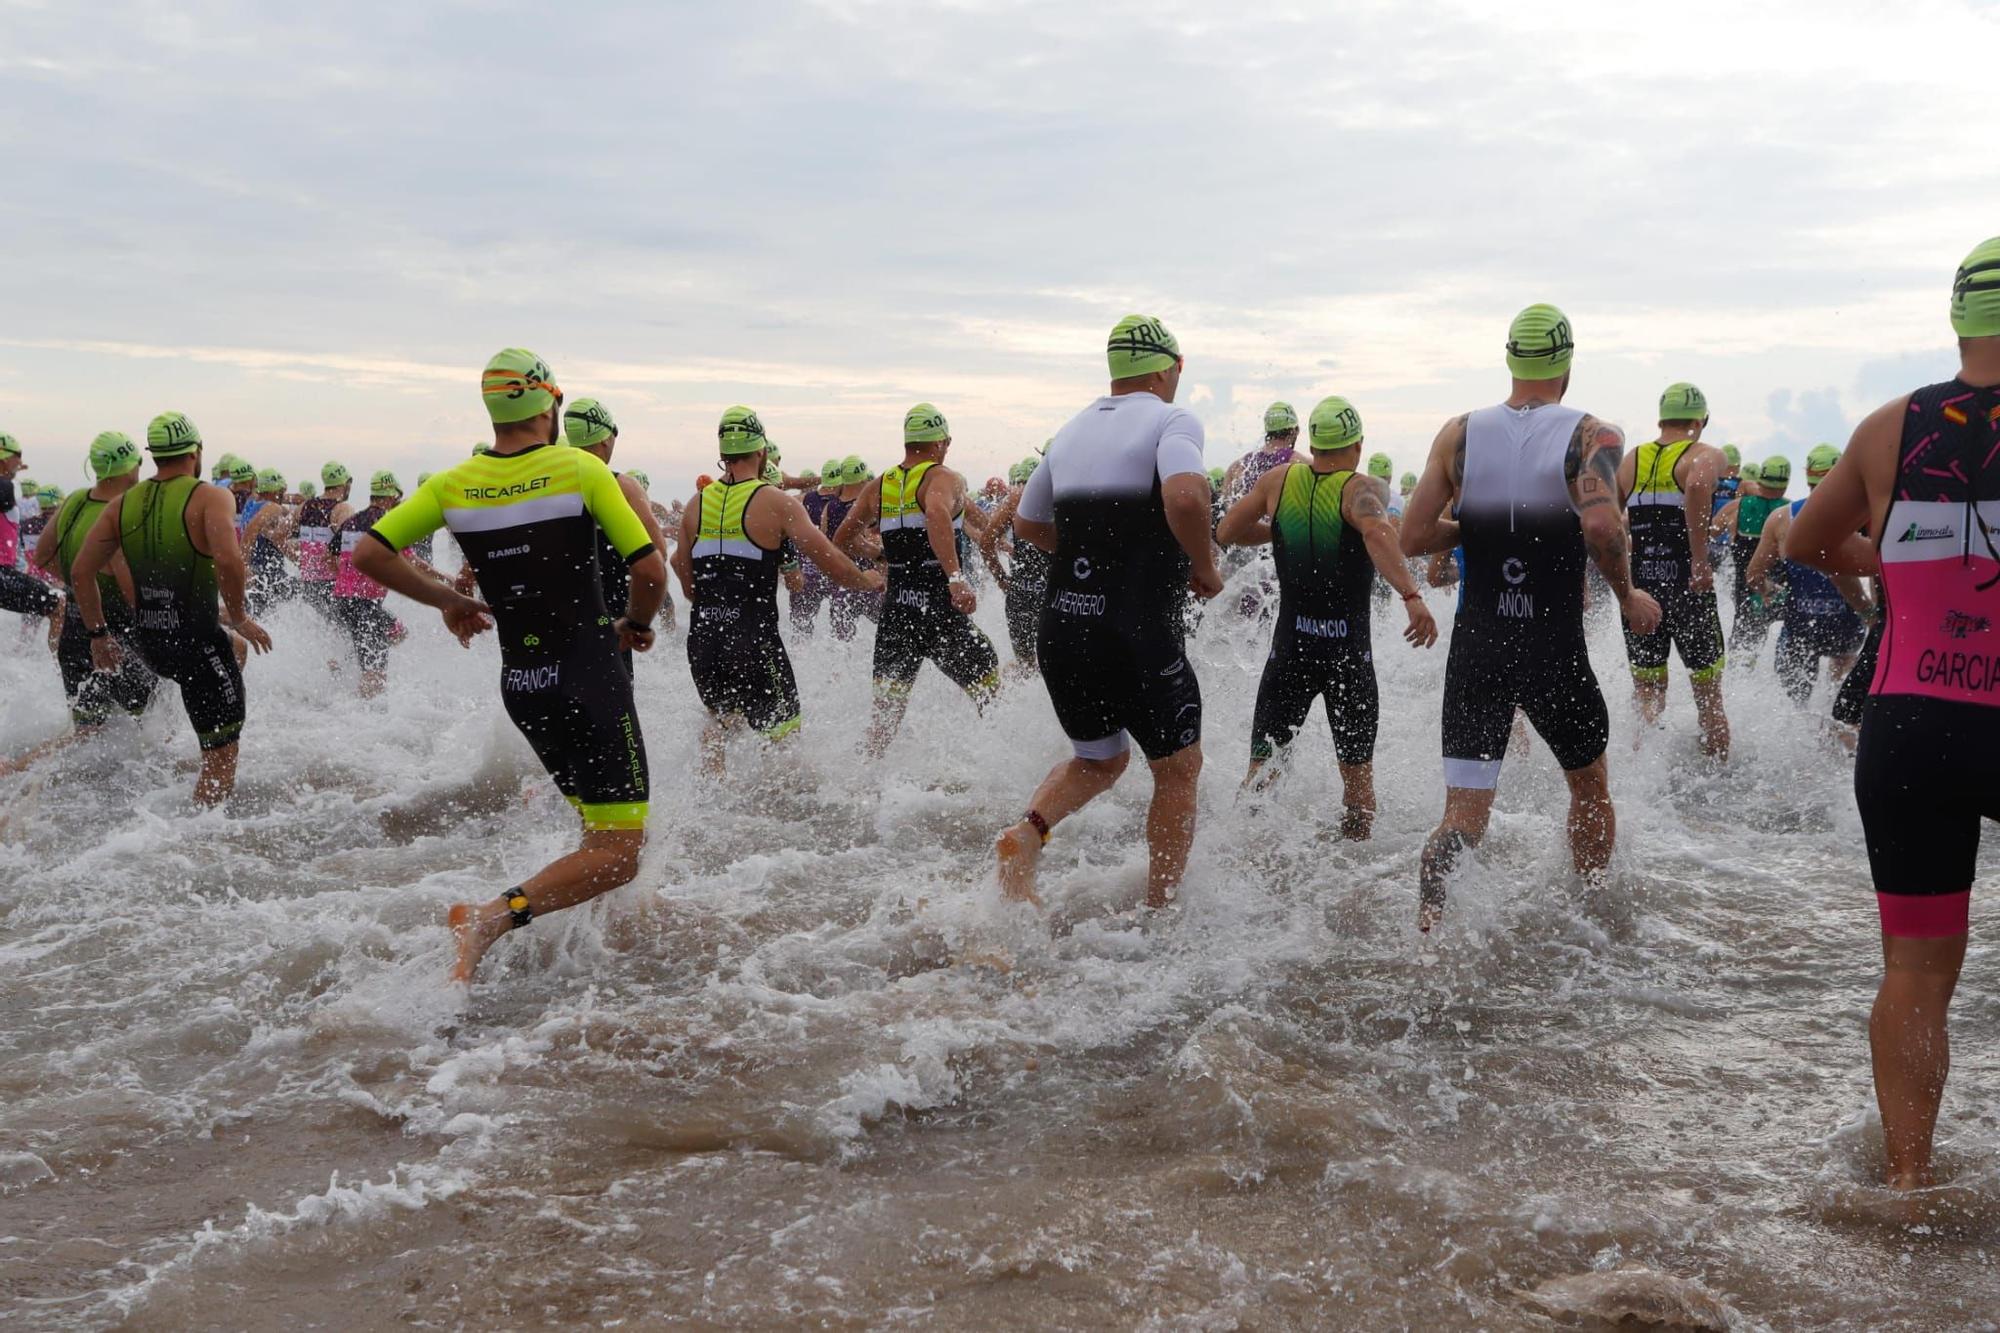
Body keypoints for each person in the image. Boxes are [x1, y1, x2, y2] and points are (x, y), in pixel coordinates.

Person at [1783, 236, 2000, 1192]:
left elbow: (1804, 538)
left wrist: (1888, 563)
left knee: (1915, 970)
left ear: (1960, 321)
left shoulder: (1887, 429)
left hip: (1911, 721)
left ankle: (1908, 1186)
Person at [352, 348, 667, 984]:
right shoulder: (580, 469)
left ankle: (587, 948)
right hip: (589, 676)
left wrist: (451, 601)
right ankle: (493, 918)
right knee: (619, 853)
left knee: (597, 831)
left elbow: (370, 554)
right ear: (550, 400)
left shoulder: (452, 484)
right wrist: (636, 624)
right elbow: (650, 567)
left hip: (523, 688)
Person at [1399, 304, 1662, 932]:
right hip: (1551, 646)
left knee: (1464, 813)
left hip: (1478, 643)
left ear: (1511, 359)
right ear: (1567, 363)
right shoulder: (1591, 434)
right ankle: (1597, 914)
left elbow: (1410, 536)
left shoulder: (1458, 433)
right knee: (1589, 787)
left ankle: (1430, 933)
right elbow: (1600, 523)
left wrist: (1481, 530)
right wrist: (1626, 594)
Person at [994, 315, 1222, 910]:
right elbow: (1187, 494)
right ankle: (1161, 909)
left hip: (1064, 625)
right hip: (1136, 628)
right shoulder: (1173, 420)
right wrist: (1203, 564)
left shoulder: (1069, 432)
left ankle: (1028, 834)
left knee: (1099, 759)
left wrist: (1083, 557)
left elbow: (1025, 523)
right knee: (1177, 770)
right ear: (1166, 367)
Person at [1216, 395, 1438, 836]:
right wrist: (1412, 596)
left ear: (1313, 444)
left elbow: (1227, 530)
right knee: (1357, 787)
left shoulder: (1277, 482)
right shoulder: (1363, 489)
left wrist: (1276, 533)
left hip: (1289, 655)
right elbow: (1376, 534)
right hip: (1347, 660)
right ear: (1357, 445)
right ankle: (1354, 882)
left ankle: (1243, 862)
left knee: (1261, 775)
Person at [70, 412, 274, 806]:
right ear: (196, 451)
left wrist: (98, 636)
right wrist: (240, 616)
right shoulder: (212, 496)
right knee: (223, 758)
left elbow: (81, 571)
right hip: (197, 645)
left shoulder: (121, 504)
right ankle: (199, 844)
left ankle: (195, 749)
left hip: (150, 644)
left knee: (235, 653)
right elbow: (230, 561)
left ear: (153, 456)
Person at [669, 408, 881, 772]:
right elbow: (829, 557)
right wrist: (867, 581)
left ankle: (706, 812)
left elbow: (679, 567)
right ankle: (775, 821)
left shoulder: (695, 504)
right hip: (753, 641)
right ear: (762, 451)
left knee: (722, 724)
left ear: (722, 455)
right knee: (784, 747)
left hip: (703, 641)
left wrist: (707, 601)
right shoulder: (776, 502)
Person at [833, 403, 1002, 758]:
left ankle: (862, 781)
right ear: (940, 441)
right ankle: (992, 766)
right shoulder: (943, 477)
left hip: (897, 610)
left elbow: (844, 538)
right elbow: (937, 515)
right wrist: (956, 577)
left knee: (885, 719)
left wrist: (881, 557)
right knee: (989, 682)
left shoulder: (880, 485)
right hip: (938, 608)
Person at [4, 431, 158, 774]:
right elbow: (131, 591)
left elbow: (42, 555)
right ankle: (158, 794)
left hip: (75, 632)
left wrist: (80, 581)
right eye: (138, 464)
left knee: (87, 731)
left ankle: (14, 769)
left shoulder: (75, 500)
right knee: (154, 717)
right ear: (127, 467)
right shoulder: (121, 514)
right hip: (114, 636)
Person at [1617, 382, 1731, 757]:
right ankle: (1719, 777)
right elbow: (1698, 484)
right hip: (1689, 590)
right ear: (1700, 421)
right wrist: (1699, 560)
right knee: (1708, 695)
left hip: (1641, 591)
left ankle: (1641, 774)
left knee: (1647, 693)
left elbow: (1608, 516)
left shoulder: (1631, 459)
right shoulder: (1705, 454)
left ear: (1662, 419)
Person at [1745, 445, 1871, 706]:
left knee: (1792, 712)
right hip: (1846, 625)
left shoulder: (1781, 518)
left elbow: (1754, 576)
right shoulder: (1863, 516)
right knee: (1841, 711)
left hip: (1800, 627)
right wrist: (1872, 614)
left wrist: (1770, 592)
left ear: (1808, 477)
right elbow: (1878, 572)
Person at [562, 398, 673, 664]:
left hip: (554, 625)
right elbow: (656, 556)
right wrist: (638, 621)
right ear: (604, 439)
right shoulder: (622, 486)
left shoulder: (544, 483)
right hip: (610, 624)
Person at [332, 471, 434, 698]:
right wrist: (445, 579)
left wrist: (348, 579)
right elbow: (413, 561)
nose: (398, 503)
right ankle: (365, 715)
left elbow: (330, 557)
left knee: (396, 633)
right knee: (376, 669)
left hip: (343, 600)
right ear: (390, 496)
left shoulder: (350, 522)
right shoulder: (387, 523)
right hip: (365, 603)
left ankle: (346, 667)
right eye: (397, 498)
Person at [977, 455, 1052, 676]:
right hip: (1058, 598)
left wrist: (1001, 579)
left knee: (1026, 666)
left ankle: (1011, 705)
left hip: (1022, 594)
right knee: (1062, 664)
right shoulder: (1071, 496)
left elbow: (986, 543)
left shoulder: (1016, 499)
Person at [1717, 454, 1792, 668]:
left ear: (1760, 479)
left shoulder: (1737, 507)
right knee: (1793, 647)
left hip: (1748, 594)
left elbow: (1709, 534)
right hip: (1782, 592)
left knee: (1742, 659)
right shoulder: (1791, 512)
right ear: (1786, 483)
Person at [0, 434, 65, 621]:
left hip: (9, 571)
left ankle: (27, 651)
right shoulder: (5, 486)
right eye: (18, 454)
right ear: (4, 458)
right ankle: (54, 652)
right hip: (3, 573)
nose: (20, 460)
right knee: (59, 604)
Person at [823, 455, 881, 642]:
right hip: (868, 578)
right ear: (864, 478)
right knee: (894, 634)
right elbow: (876, 540)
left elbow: (825, 544)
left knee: (841, 646)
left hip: (842, 582)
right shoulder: (866, 506)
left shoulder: (830, 507)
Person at [293, 462, 354, 623]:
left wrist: (298, 559)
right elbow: (350, 549)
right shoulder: (342, 509)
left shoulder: (304, 507)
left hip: (308, 586)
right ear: (344, 483)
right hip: (332, 585)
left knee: (321, 635)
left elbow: (278, 535)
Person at [239, 468, 295, 614]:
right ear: (275, 490)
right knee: (304, 594)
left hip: (258, 572)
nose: (283, 494)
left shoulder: (250, 505)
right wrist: (243, 565)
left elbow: (262, 533)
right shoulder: (272, 507)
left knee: (259, 616)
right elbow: (251, 530)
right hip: (267, 574)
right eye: (282, 490)